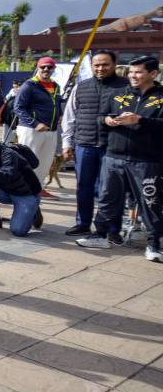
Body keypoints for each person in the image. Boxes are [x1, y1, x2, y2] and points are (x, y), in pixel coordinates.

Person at [76, 56, 163, 262]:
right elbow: (100, 117)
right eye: (131, 72)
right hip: (113, 156)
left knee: (150, 202)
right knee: (107, 198)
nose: (133, 76)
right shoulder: (118, 94)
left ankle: (153, 244)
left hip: (147, 160)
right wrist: (106, 120)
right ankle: (100, 235)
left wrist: (140, 120)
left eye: (138, 72)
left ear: (153, 74)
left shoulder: (161, 97)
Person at [61, 50, 128, 236]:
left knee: (112, 190)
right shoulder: (81, 87)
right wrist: (67, 143)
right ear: (91, 66)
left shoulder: (126, 87)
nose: (100, 68)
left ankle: (112, 228)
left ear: (114, 64)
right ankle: (83, 223)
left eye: (105, 64)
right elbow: (69, 117)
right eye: (96, 65)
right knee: (84, 187)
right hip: (84, 144)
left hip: (113, 146)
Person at [14, 57, 64, 199]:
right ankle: (21, 188)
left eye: (50, 67)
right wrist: (34, 123)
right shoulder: (29, 85)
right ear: (38, 68)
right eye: (43, 67)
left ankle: (38, 188)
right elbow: (18, 108)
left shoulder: (56, 86)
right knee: (28, 160)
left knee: (45, 162)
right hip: (31, 130)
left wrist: (59, 115)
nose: (46, 69)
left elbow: (56, 105)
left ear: (54, 69)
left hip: (51, 130)